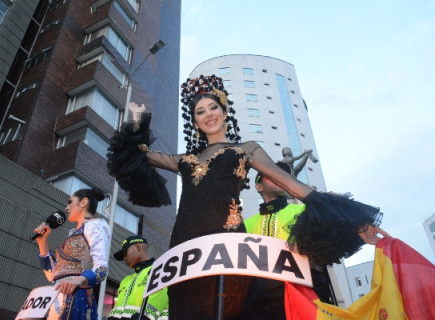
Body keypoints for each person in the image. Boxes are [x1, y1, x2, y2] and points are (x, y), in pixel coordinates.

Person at [106, 74, 387, 319]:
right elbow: (133, 156)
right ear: (195, 121)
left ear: (224, 111)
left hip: (229, 246)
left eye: (213, 107)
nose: (208, 114)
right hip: (185, 247)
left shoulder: (247, 150)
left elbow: (294, 187)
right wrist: (137, 120)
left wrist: (355, 222)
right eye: (200, 111)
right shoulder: (184, 159)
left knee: (230, 309)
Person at [242, 162, 334, 319]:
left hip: (307, 289)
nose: (279, 178)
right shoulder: (245, 225)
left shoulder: (304, 210)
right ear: (259, 186)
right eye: (271, 175)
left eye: (282, 176)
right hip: (262, 299)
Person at [33, 188, 110, 320]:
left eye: (70, 202)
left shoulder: (95, 226)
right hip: (57, 297)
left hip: (76, 297)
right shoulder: (73, 232)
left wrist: (80, 279)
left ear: (83, 202)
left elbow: (101, 268)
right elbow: (54, 275)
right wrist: (42, 242)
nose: (66, 207)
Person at [107, 235, 168, 320]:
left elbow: (155, 306)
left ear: (138, 247)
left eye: (125, 253)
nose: (124, 258)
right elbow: (117, 309)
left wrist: (144, 317)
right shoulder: (125, 280)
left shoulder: (160, 269)